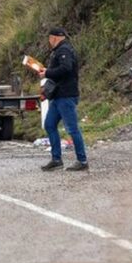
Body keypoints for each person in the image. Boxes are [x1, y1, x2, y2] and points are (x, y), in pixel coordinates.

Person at [37, 28, 88, 171]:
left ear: (54, 38)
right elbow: (61, 69)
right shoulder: (60, 50)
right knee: (49, 124)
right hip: (58, 95)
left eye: (49, 38)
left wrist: (47, 72)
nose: (49, 41)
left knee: (72, 129)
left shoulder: (64, 50)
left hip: (66, 95)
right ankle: (56, 159)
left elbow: (66, 68)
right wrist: (48, 72)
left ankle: (82, 160)